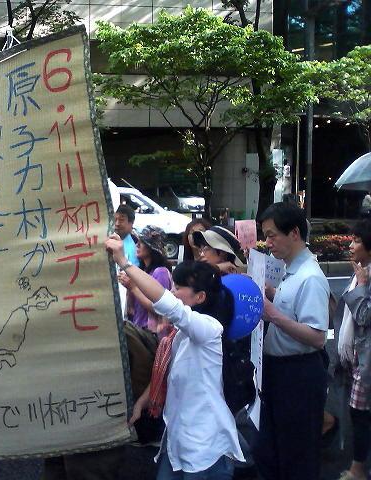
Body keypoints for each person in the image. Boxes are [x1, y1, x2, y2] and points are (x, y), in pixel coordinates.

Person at [105, 234, 244, 479]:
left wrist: (124, 262)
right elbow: (168, 373)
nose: (172, 291)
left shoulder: (209, 329)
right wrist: (141, 404)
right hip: (177, 440)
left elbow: (168, 304)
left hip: (204, 448)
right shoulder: (180, 334)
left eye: (178, 288)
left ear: (200, 297)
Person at [253, 202, 329, 480]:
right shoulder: (292, 271)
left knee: (297, 453)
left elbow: (317, 337)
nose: (267, 243)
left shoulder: (311, 277)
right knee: (272, 448)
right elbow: (293, 311)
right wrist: (273, 296)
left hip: (298, 374)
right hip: (279, 372)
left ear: (294, 233)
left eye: (272, 235)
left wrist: (272, 314)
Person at [335, 219, 371, 480]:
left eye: (357, 241)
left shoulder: (364, 277)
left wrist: (361, 286)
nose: (351, 245)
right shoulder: (362, 271)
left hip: (366, 359)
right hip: (357, 355)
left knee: (360, 414)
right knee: (358, 413)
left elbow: (365, 316)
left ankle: (358, 469)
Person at [118, 225, 172, 334]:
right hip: (139, 330)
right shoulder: (142, 271)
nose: (137, 245)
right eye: (137, 242)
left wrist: (133, 288)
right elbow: (132, 310)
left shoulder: (160, 272)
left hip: (152, 334)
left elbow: (160, 308)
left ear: (152, 248)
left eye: (142, 243)